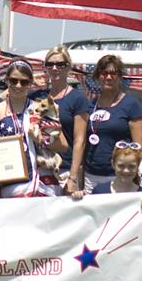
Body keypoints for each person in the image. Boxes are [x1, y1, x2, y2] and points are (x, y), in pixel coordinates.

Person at [0, 59, 68, 198]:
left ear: (31, 83)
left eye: (24, 82)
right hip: (12, 184)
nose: (18, 85)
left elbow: (63, 146)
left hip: (43, 182)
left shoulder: (41, 108)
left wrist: (41, 140)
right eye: (14, 80)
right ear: (7, 80)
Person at [72, 143, 142, 246]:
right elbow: (86, 227)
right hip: (103, 253)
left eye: (131, 166)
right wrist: (78, 199)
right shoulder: (99, 192)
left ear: (138, 166)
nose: (126, 170)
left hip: (133, 256)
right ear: (113, 164)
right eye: (121, 166)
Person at [83, 54, 142, 191]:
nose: (109, 77)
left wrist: (135, 175)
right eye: (104, 73)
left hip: (120, 176)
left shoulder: (131, 105)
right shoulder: (89, 106)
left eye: (114, 73)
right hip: (90, 177)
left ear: (120, 77)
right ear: (97, 76)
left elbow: (139, 147)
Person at [43, 45, 91, 193]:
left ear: (68, 67)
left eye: (60, 64)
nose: (55, 68)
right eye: (50, 64)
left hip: (65, 170)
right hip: (41, 169)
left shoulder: (77, 99)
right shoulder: (37, 97)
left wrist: (73, 177)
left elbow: (80, 141)